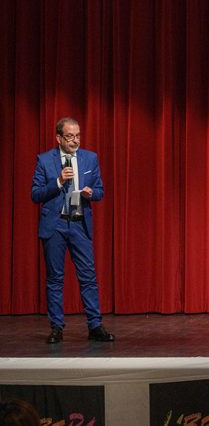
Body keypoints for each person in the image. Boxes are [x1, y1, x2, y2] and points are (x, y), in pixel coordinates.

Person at [30, 117, 114, 344]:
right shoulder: (45, 160)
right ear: (59, 138)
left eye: (77, 136)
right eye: (70, 136)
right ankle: (56, 327)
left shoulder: (90, 158)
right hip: (55, 225)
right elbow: (35, 194)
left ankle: (95, 325)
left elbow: (100, 191)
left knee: (88, 277)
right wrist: (57, 182)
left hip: (79, 223)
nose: (75, 140)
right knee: (55, 279)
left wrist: (90, 194)